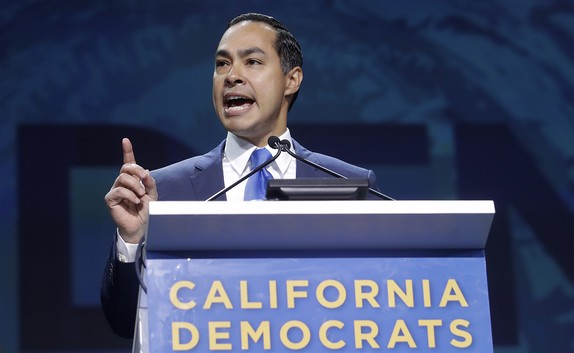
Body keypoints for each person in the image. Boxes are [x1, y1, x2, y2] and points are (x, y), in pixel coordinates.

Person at [101, 12, 382, 338]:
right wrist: (133, 241)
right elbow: (125, 323)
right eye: (222, 64)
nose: (231, 76)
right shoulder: (163, 190)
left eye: (252, 62)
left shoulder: (348, 185)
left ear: (292, 80)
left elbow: (374, 310)